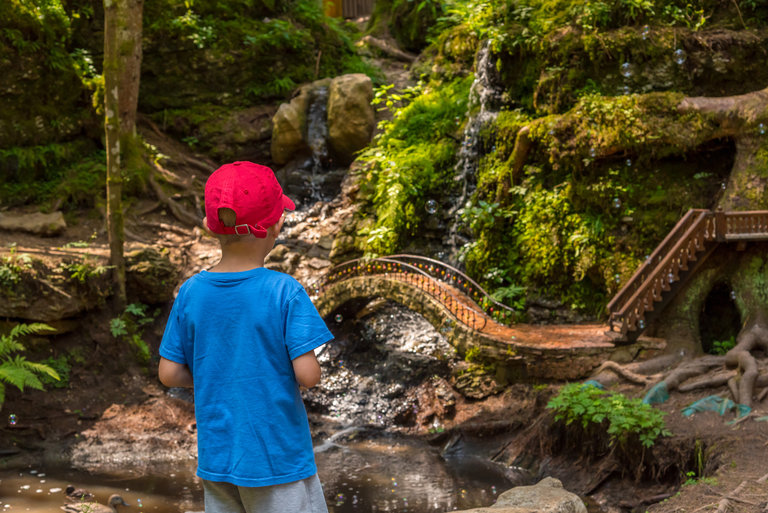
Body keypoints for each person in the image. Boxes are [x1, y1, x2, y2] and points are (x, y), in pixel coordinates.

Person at [158, 161, 333, 513]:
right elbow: (309, 376)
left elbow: (169, 374)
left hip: (219, 461)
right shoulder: (285, 291)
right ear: (275, 224)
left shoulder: (191, 292)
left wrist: (219, 374)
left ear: (211, 227)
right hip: (277, 460)